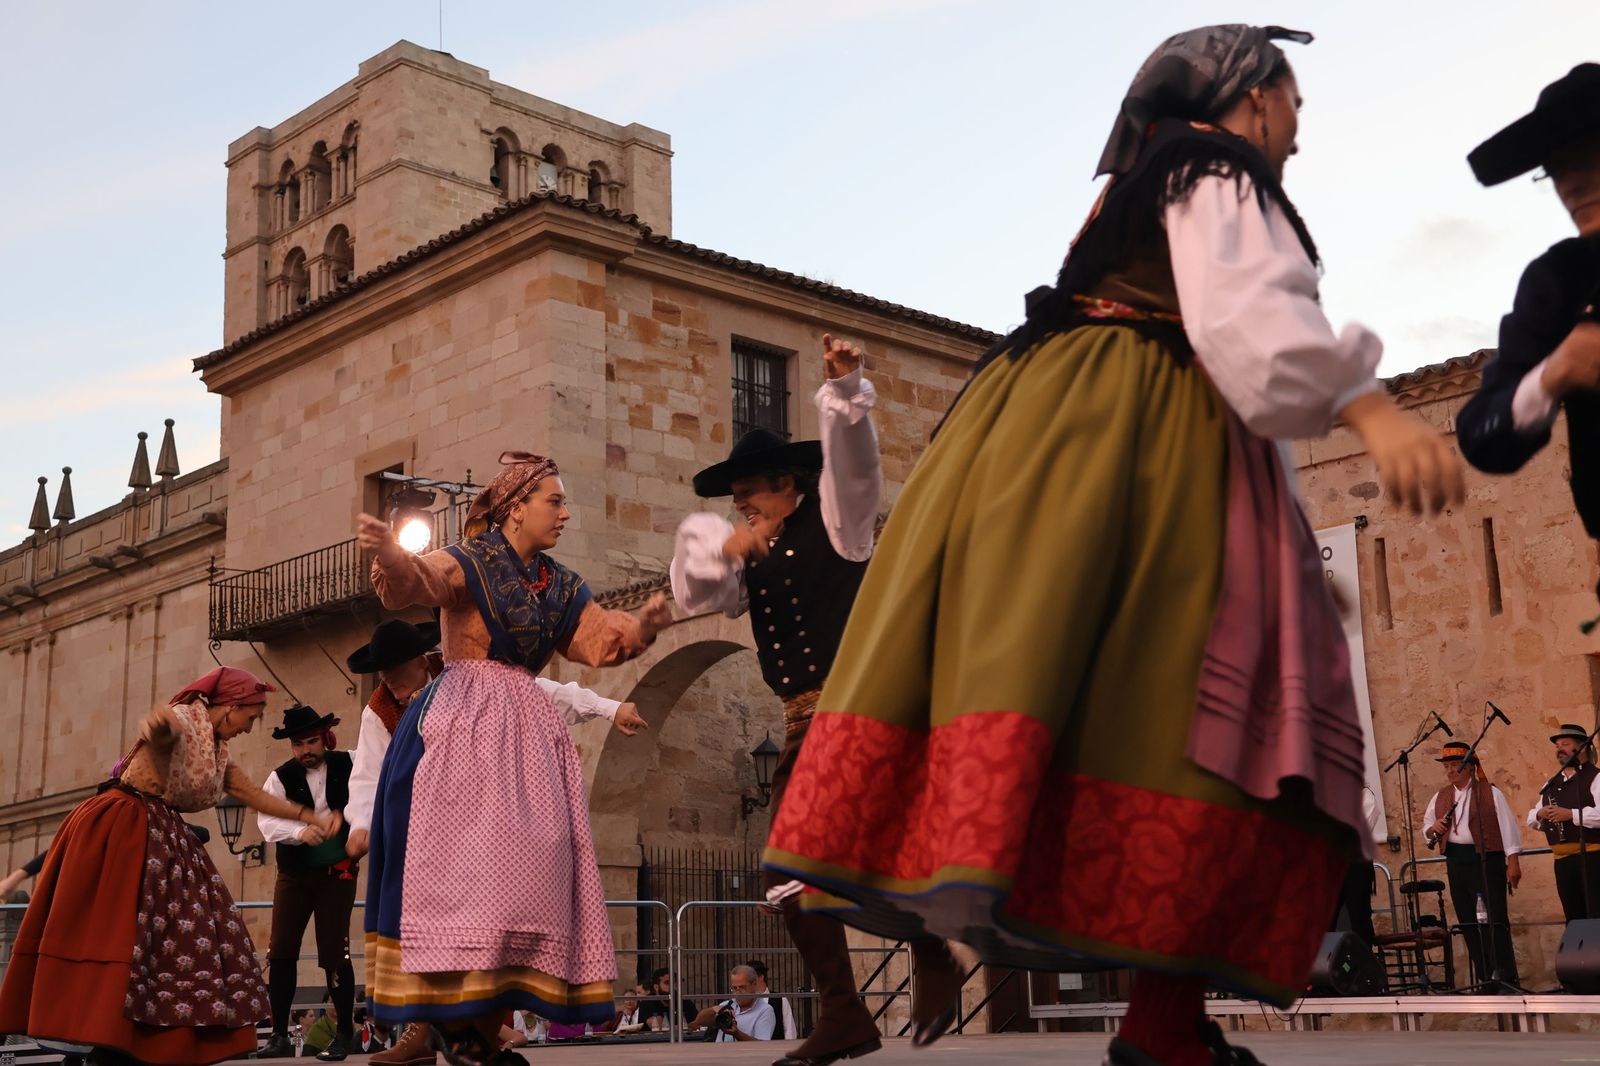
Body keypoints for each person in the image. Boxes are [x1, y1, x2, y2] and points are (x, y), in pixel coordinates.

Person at [760, 24, 1466, 1066]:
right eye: (1294, 106)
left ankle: (1164, 1024)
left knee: (1136, 719)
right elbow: (1247, 317)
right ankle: (1161, 1028)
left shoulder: (1136, 186)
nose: (1298, 133)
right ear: (1251, 97)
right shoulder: (1211, 169)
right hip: (1139, 440)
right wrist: (1372, 410)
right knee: (1194, 725)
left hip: (1065, 438)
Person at [672, 333, 959, 1066]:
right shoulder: (750, 556)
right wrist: (723, 548)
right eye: (734, 498)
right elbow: (693, 594)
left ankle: (884, 983)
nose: (740, 505)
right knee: (797, 873)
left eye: (750, 492)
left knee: (811, 862)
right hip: (804, 721)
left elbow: (857, 467)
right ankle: (858, 1005)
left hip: (862, 707)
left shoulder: (839, 523)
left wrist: (845, 390)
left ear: (788, 483)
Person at [356, 451, 671, 1063]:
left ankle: (475, 1031)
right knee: (461, 879)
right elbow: (417, 583)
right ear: (516, 507)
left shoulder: (561, 585)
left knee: (526, 880)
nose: (565, 513)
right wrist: (392, 554)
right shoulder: (469, 561)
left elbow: (596, 639)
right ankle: (454, 1029)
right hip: (462, 726)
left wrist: (642, 628)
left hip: (525, 732)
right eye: (554, 501)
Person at [0, 666, 341, 1065]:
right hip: (125, 826)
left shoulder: (216, 751)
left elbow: (253, 795)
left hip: (161, 831)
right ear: (231, 707)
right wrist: (158, 725)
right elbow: (161, 734)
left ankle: (143, 1038)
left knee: (183, 936)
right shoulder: (181, 722)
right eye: (251, 717)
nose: (250, 727)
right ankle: (105, 1034)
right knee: (124, 932)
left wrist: (310, 817)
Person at [344, 619, 647, 1066]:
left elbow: (544, 692)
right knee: (418, 932)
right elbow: (368, 773)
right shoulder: (380, 710)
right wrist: (360, 824)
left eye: (395, 671)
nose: (388, 682)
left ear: (421, 661)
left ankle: (471, 1038)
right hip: (414, 832)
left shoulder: (469, 681)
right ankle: (424, 1034)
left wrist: (610, 707)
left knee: (480, 928)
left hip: (472, 826)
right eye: (383, 674)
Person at [1455, 64, 1600, 617]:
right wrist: (1554, 372)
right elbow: (1482, 432)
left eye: (1587, 156)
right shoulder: (1560, 279)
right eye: (1556, 169)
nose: (1571, 184)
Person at [253, 705, 359, 1061]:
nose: (305, 750)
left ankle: (344, 1034)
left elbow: (371, 793)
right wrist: (299, 831)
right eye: (298, 744)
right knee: (281, 948)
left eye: (311, 742)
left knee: (335, 951)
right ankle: (279, 1035)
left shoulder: (351, 763)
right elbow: (267, 821)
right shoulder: (280, 777)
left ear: (324, 738)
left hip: (338, 872)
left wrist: (351, 819)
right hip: (294, 874)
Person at [1423, 741, 1523, 985]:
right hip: (1456, 862)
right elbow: (1426, 827)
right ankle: (1485, 978)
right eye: (1447, 766)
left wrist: (1513, 862)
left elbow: (1508, 827)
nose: (1450, 771)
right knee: (1468, 921)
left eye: (1455, 765)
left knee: (1494, 920)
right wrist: (1433, 828)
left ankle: (1505, 978)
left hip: (1486, 861)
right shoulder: (1440, 796)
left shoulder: (1489, 792)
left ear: (1470, 766)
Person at [1529, 723, 1600, 922]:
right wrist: (1541, 813)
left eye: (1565, 744)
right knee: (1574, 917)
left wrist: (1570, 815)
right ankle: (1579, 945)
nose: (1559, 749)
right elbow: (1531, 818)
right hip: (1562, 861)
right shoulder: (1551, 783)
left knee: (1595, 915)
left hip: (1592, 859)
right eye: (1557, 746)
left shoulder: (1596, 777)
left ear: (1582, 747)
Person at [687, 965, 775, 1043]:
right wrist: (715, 1010)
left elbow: (762, 1045)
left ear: (754, 984)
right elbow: (700, 1021)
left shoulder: (765, 1010)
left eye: (742, 987)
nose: (738, 992)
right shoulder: (729, 1004)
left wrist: (737, 1033)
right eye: (734, 988)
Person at [745, 960, 798, 1042]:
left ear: (761, 977)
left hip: (776, 1048)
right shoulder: (743, 1000)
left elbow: (790, 1031)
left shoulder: (781, 999)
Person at [637, 967, 695, 1033]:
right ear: (656, 987)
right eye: (667, 983)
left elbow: (697, 1023)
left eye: (675, 982)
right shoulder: (648, 1002)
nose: (672, 986)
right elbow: (659, 1027)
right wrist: (686, 1027)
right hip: (656, 1039)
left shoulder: (683, 1001)